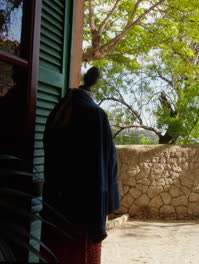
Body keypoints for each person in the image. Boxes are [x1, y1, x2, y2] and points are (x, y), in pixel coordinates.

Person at [42, 67, 120, 264]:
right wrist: (102, 208)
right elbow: (101, 167)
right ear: (95, 83)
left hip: (55, 201)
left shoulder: (59, 110)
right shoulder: (94, 115)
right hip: (84, 206)